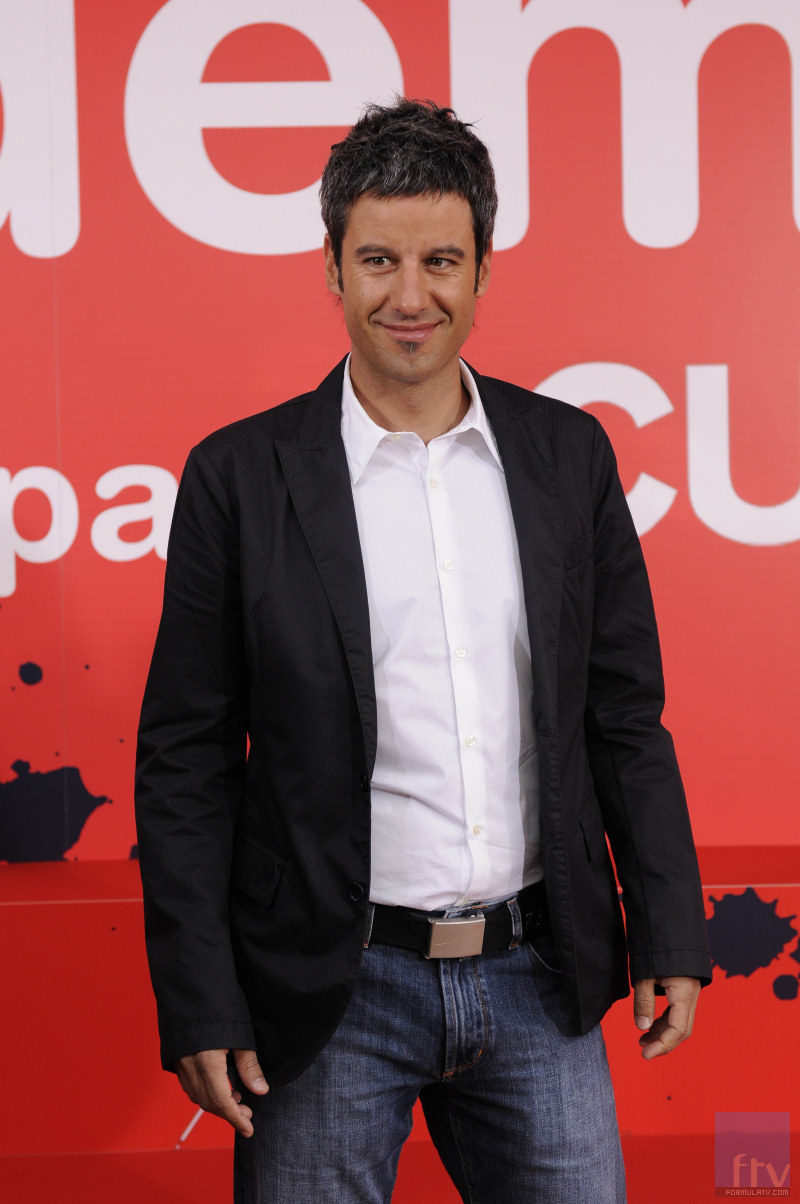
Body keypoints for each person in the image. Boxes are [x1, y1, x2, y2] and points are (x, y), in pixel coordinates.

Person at [134, 97, 712, 1203]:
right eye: (378, 260)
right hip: (326, 992)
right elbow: (185, 763)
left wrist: (669, 929)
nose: (410, 296)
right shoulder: (238, 478)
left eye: (441, 260)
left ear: (483, 269)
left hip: (536, 977)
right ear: (331, 266)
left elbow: (622, 716)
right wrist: (200, 999)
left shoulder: (569, 456)